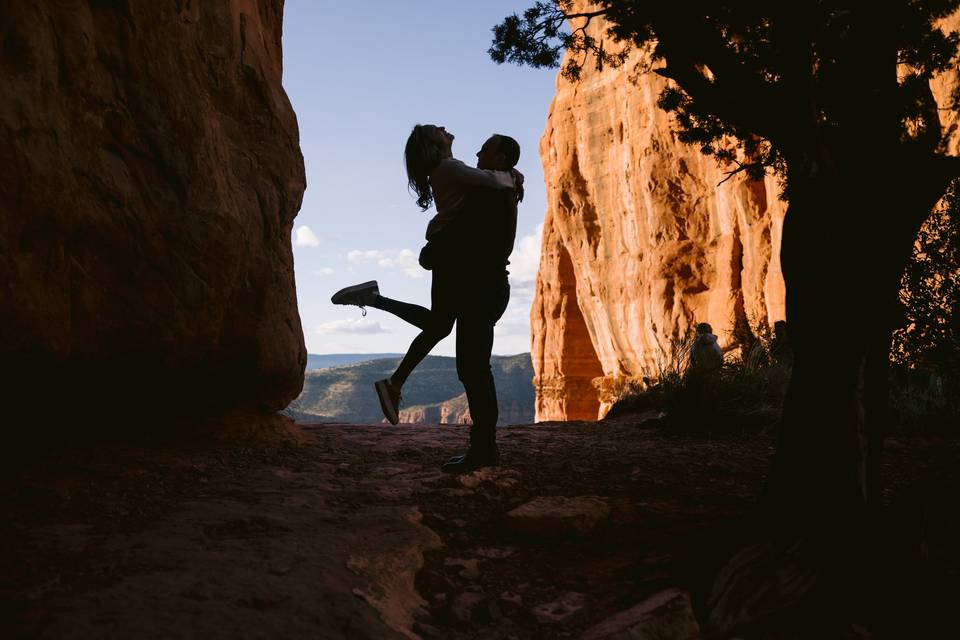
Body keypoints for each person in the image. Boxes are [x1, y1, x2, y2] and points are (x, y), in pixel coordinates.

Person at [331, 125, 522, 473]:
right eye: (440, 131)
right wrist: (511, 174)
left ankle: (377, 310)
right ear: (434, 145)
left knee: (449, 339)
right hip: (469, 274)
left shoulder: (461, 174)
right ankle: (481, 448)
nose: (477, 154)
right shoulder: (460, 173)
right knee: (467, 361)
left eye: (484, 151)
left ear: (500, 156)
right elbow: (497, 185)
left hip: (470, 275)